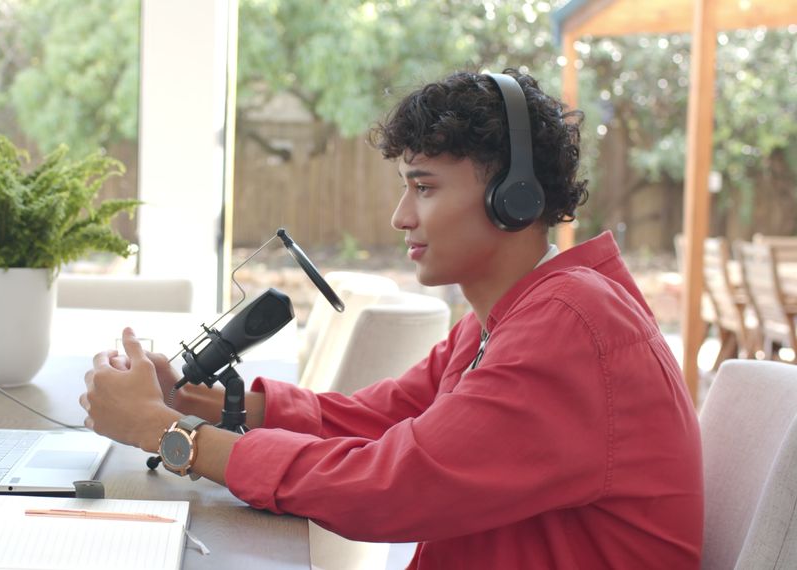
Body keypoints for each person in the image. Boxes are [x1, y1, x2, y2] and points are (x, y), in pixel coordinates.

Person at [80, 69, 703, 568]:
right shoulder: (510, 318)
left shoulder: (572, 327)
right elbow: (375, 418)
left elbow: (388, 486)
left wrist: (168, 435)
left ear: (514, 200)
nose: (400, 216)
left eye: (424, 187)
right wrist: (194, 399)